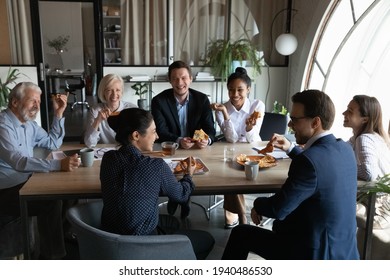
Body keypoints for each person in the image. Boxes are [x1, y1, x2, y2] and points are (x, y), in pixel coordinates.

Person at [222, 89, 360, 260]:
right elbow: (320, 168)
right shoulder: (345, 149)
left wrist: (257, 204)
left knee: (241, 233)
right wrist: (291, 149)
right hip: (345, 251)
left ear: (315, 122)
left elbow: (278, 209)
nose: (289, 125)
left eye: (294, 119)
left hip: (313, 254)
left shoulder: (308, 162)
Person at [100, 108, 215, 259]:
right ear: (136, 135)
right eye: (153, 131)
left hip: (109, 240)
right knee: (208, 239)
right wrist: (188, 175)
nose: (157, 136)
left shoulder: (108, 158)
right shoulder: (156, 166)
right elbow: (181, 194)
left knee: (172, 222)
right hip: (142, 244)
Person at [0, 82, 80, 259]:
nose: (37, 105)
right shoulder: (3, 126)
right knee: (50, 202)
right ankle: (53, 257)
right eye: (32, 101)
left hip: (27, 181)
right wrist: (58, 165)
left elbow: (52, 143)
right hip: (6, 190)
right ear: (14, 102)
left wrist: (58, 114)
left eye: (39, 101)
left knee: (71, 192)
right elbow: (18, 162)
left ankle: (64, 238)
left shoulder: (29, 124)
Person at [151, 60, 216, 218]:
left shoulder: (202, 100)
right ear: (170, 80)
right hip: (169, 150)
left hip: (196, 152)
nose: (180, 83)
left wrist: (206, 140)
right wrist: (179, 140)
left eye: (184, 78)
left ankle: (180, 198)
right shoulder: (159, 101)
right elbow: (160, 131)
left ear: (191, 78)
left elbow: (210, 130)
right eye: (175, 78)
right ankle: (181, 198)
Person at [210, 67, 265, 229]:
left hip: (253, 149)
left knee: (237, 172)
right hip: (232, 149)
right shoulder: (222, 109)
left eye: (240, 90)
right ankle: (242, 216)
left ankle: (237, 214)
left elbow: (253, 139)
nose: (235, 94)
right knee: (231, 174)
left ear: (248, 89)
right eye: (231, 90)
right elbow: (232, 139)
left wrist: (249, 128)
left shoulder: (257, 105)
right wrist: (226, 114)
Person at [343, 95, 390, 258]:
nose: (344, 113)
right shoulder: (368, 137)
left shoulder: (364, 139)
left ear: (364, 119)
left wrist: (343, 168)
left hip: (377, 208)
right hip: (380, 203)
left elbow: (370, 173)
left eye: (350, 111)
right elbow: (341, 150)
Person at [84, 74, 137, 147]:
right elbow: (89, 143)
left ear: (122, 92)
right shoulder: (95, 110)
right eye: (109, 90)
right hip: (104, 153)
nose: (114, 94)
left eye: (118, 90)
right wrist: (97, 120)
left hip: (127, 151)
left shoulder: (132, 108)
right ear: (103, 92)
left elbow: (138, 139)